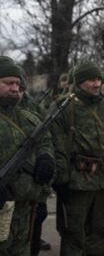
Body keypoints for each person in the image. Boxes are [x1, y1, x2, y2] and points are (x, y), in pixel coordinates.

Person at [51, 60, 104, 256]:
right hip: (77, 181)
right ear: (79, 81)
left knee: (100, 231)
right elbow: (56, 144)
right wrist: (61, 179)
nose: (97, 84)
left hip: (103, 180)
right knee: (74, 234)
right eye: (91, 80)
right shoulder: (64, 106)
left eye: (98, 79)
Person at [0, 56, 55, 256]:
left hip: (24, 211)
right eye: (8, 83)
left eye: (17, 83)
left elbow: (45, 141)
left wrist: (46, 158)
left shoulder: (28, 118)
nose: (15, 88)